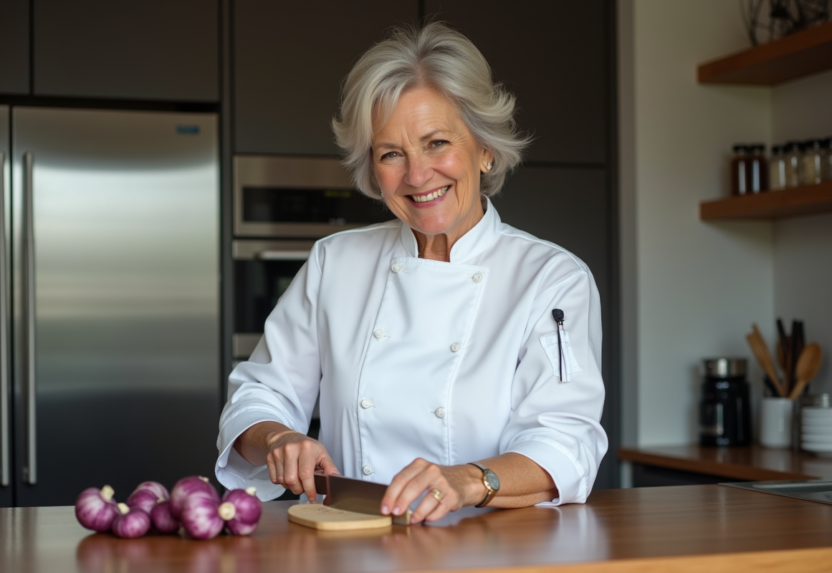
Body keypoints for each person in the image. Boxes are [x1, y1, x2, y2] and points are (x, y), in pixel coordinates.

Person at [216, 22, 607, 524]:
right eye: (391, 154)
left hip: (489, 552)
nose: (417, 176)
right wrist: (279, 438)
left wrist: (467, 480)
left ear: (485, 149)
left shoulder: (551, 278)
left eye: (437, 142)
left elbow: (565, 441)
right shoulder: (335, 261)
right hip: (351, 546)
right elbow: (258, 394)